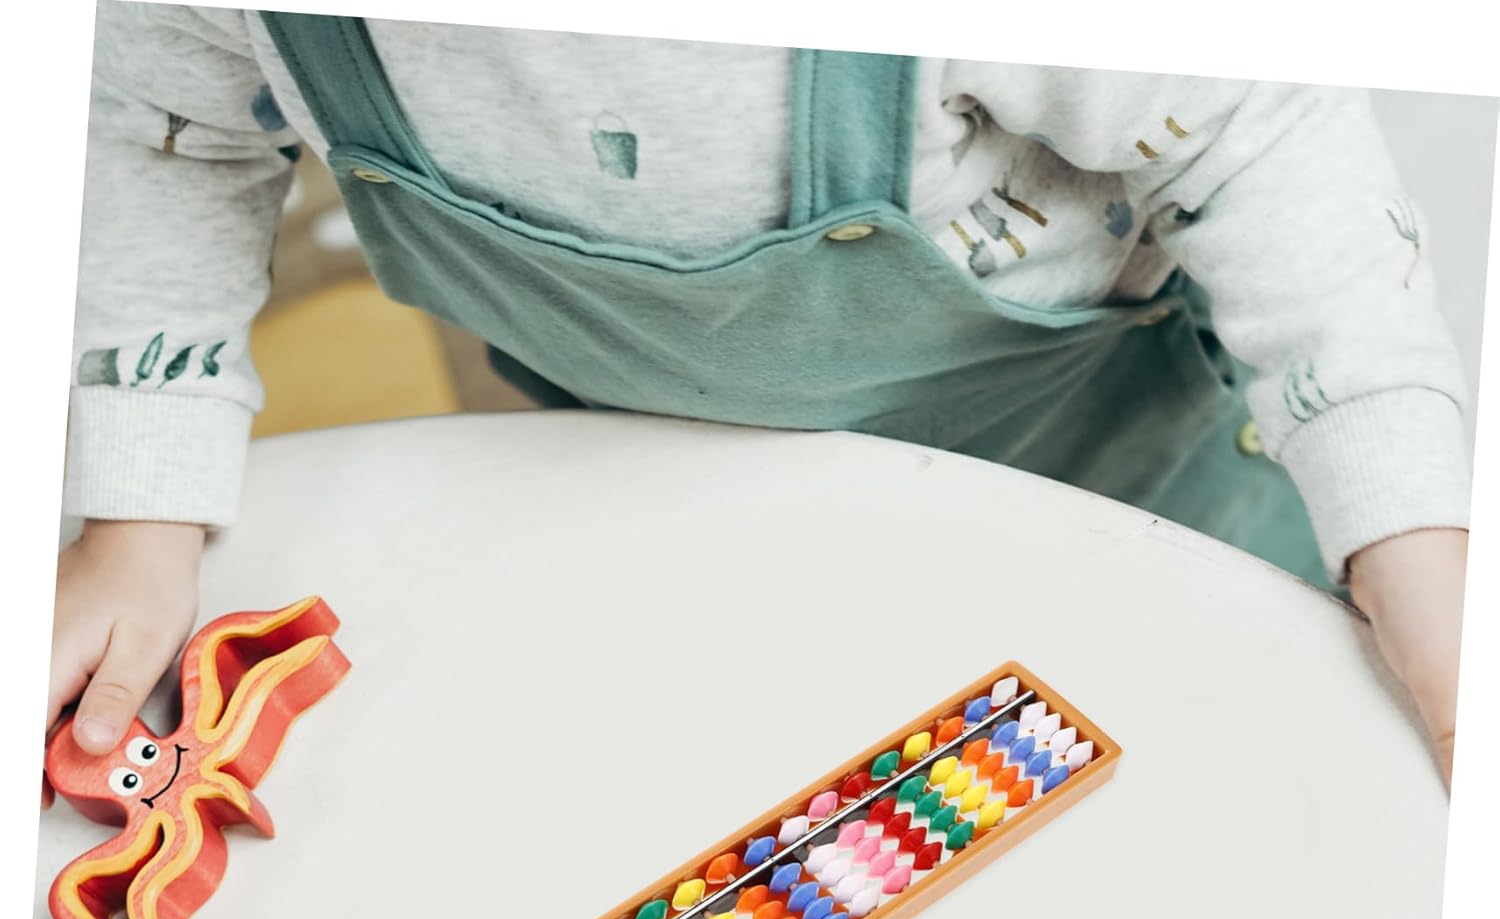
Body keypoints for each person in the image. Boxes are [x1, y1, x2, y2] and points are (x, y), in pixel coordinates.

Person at [51, 6, 1472, 785]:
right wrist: (141, 506)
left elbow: (1258, 135)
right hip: (654, 495)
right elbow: (166, 137)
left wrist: (1413, 536)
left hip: (1119, 478)